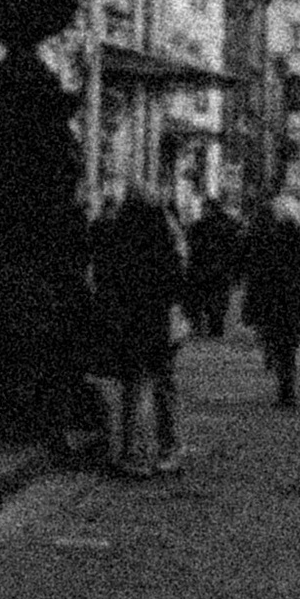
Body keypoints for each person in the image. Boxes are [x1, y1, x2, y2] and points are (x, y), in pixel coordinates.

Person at [91, 184, 186, 476]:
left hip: (130, 321)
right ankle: (168, 449)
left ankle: (130, 453)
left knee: (133, 388)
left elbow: (105, 279)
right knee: (163, 385)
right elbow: (177, 278)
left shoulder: (116, 235)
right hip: (158, 319)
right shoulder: (165, 235)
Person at [242, 201, 300, 410]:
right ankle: (286, 388)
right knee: (289, 345)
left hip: (272, 299)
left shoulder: (267, 239)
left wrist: (252, 302)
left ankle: (280, 375)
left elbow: (256, 272)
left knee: (275, 337)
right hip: (294, 301)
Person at [185, 195, 243, 341]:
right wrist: (236, 271)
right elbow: (237, 249)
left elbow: (192, 247)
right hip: (221, 270)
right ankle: (216, 327)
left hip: (203, 269)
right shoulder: (230, 225)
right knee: (218, 299)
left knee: (201, 298)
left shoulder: (198, 226)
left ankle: (201, 326)